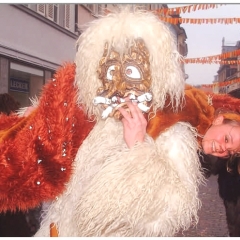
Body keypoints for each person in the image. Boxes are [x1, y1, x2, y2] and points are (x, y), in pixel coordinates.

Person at [0, 5, 240, 237]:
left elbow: (162, 213)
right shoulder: (90, 114)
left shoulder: (172, 135)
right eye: (111, 71)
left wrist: (138, 149)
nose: (119, 87)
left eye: (132, 73)